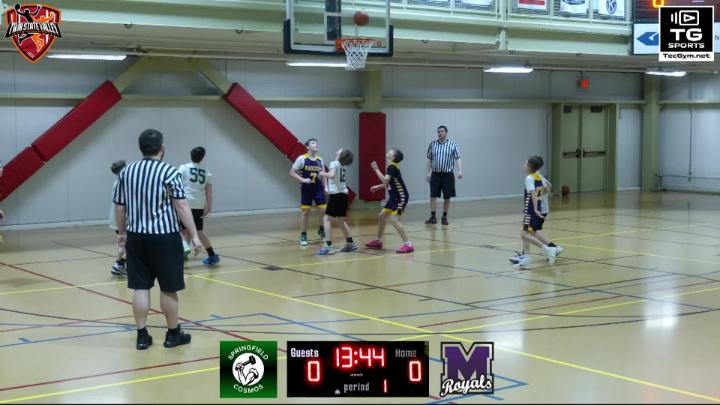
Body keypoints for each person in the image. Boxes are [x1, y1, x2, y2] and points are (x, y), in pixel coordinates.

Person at [113, 129, 201, 350]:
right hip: (165, 238)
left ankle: (142, 336)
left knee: (140, 287)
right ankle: (173, 335)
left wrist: (122, 233)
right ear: (162, 148)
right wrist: (195, 235)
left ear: (140, 148)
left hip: (136, 237)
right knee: (168, 288)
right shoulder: (170, 172)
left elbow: (120, 207)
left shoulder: (127, 171)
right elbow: (181, 206)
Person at [511, 156, 563, 270]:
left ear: (529, 167)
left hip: (532, 209)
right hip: (533, 208)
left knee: (525, 234)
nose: (524, 165)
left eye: (526, 163)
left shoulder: (529, 178)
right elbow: (546, 188)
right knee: (528, 232)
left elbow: (534, 193)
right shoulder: (537, 176)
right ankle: (527, 256)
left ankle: (548, 249)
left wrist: (535, 208)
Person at [365, 149, 414, 254]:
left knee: (394, 220)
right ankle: (378, 241)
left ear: (393, 157)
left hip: (400, 197)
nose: (388, 151)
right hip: (393, 198)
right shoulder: (391, 166)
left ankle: (408, 244)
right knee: (381, 216)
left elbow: (385, 180)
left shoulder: (392, 166)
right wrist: (378, 187)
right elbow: (390, 182)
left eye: (391, 151)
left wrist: (376, 169)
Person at [178, 147, 219, 266]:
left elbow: (177, 184)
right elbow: (209, 192)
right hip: (199, 204)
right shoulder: (206, 172)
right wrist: (209, 207)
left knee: (181, 230)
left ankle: (183, 251)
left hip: (185, 202)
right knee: (198, 231)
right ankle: (212, 255)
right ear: (202, 157)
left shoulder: (184, 168)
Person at [316, 149, 357, 255]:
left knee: (326, 219)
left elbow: (332, 175)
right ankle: (350, 243)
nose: (339, 150)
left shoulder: (334, 163)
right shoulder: (343, 165)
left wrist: (321, 173)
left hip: (336, 195)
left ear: (340, 155)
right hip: (344, 194)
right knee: (340, 220)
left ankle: (328, 245)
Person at [289, 139, 327, 246]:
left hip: (318, 188)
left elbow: (323, 174)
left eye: (316, 143)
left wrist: (326, 187)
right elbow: (292, 172)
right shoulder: (302, 159)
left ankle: (321, 229)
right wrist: (302, 180)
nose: (316, 144)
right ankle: (303, 235)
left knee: (323, 210)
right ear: (307, 147)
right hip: (307, 189)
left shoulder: (320, 160)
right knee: (306, 212)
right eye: (313, 143)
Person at [425, 125, 463, 226]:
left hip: (448, 175)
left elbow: (458, 158)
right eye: (438, 132)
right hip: (435, 174)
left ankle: (444, 217)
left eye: (442, 131)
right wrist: (428, 173)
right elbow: (429, 159)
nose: (440, 133)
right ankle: (433, 217)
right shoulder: (433, 144)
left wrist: (460, 170)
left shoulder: (453, 144)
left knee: (447, 196)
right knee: (433, 195)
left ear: (446, 133)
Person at [109, 160, 127, 276]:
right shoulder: (124, 183)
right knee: (131, 245)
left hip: (117, 218)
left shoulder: (118, 182)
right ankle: (125, 266)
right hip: (123, 218)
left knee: (123, 244)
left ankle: (118, 265)